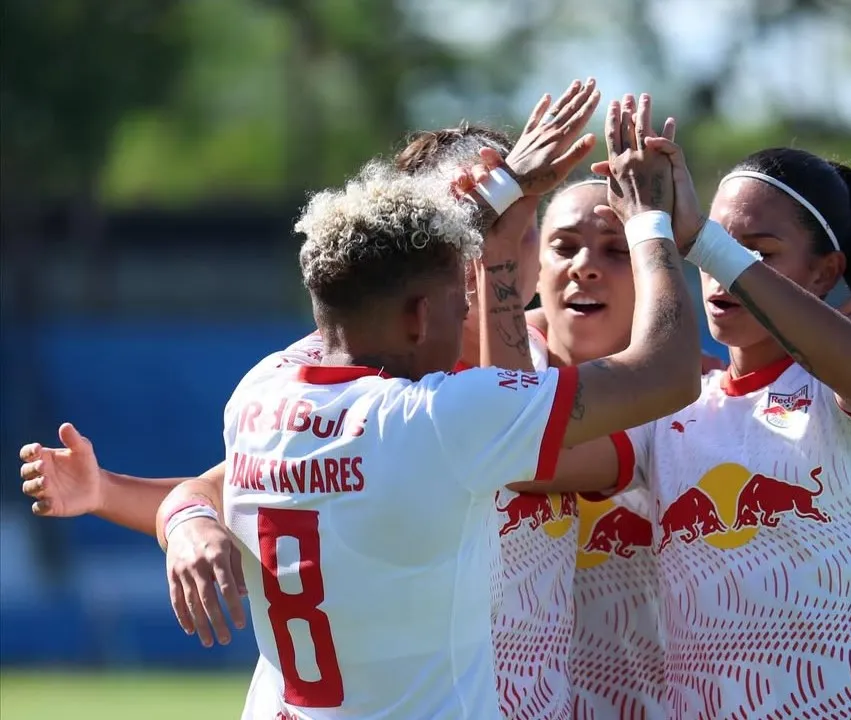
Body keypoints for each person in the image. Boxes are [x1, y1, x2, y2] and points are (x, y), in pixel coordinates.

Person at [19, 81, 612, 719]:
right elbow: (216, 489)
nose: (486, 239)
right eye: (469, 215)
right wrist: (176, 517)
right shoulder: (345, 372)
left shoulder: (546, 360)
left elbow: (610, 456)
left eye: (513, 220)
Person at [570, 114, 851, 716]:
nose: (720, 272)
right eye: (715, 247)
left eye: (760, 252)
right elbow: (530, 453)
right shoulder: (675, 404)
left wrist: (703, 239)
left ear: (825, 272)